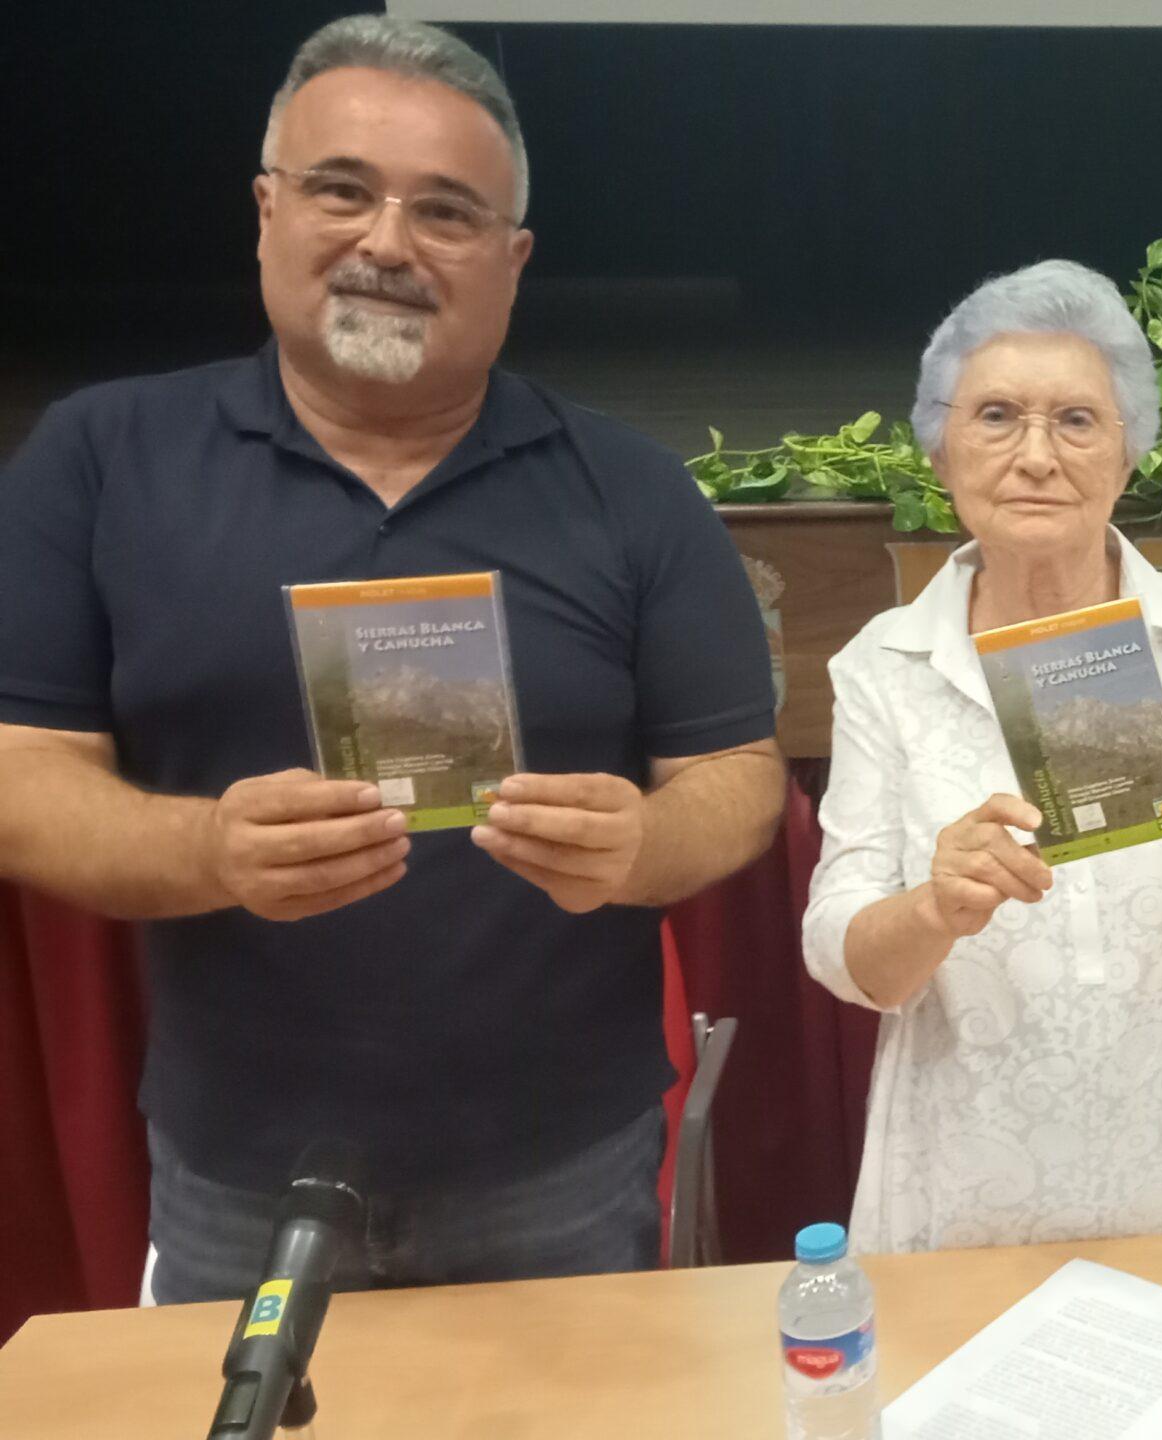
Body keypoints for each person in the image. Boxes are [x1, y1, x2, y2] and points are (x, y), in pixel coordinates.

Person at [0, 17, 784, 1300]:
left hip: (561, 1173)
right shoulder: (99, 460)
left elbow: (738, 777)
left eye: (448, 213)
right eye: (342, 190)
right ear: (266, 210)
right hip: (236, 1173)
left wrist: (645, 845)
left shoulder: (634, 491)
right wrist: (207, 853)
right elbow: (18, 770)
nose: (386, 243)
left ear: (512, 260)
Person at [800, 259, 1162, 1254]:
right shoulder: (883, 667)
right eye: (998, 416)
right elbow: (845, 958)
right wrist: (933, 908)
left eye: (1077, 421)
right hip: (976, 1193)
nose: (1035, 456)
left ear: (1130, 452)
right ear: (940, 448)